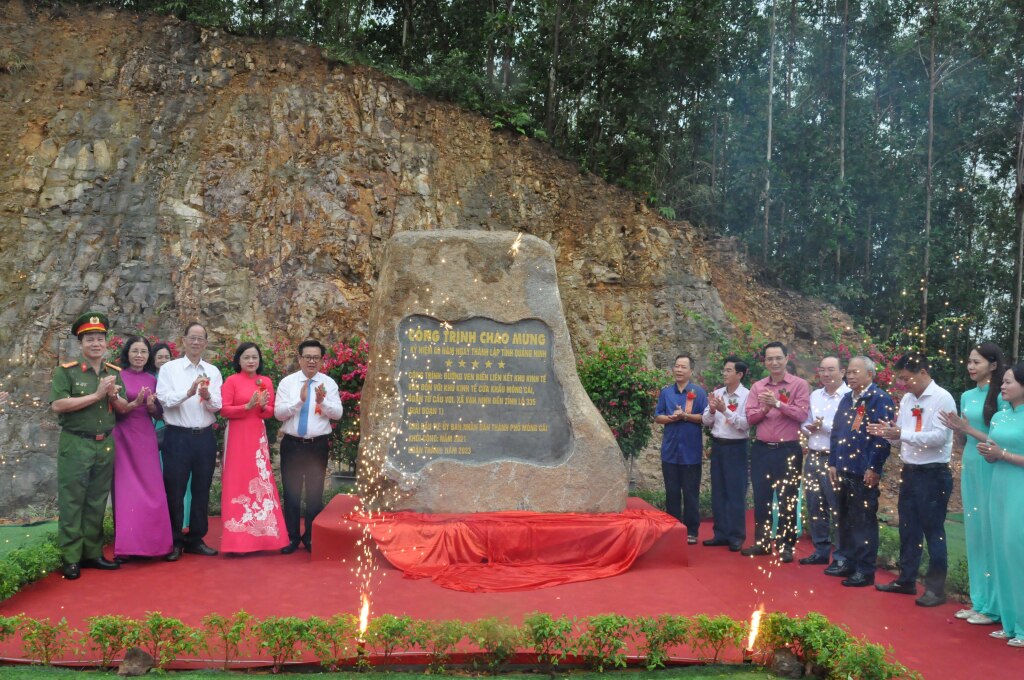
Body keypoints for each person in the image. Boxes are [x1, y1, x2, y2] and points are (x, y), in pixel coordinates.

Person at [868, 352, 956, 606]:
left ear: (923, 373)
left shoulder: (943, 398)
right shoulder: (907, 398)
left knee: (934, 531)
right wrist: (887, 433)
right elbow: (901, 437)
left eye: (907, 378)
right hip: (911, 470)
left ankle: (936, 589)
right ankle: (906, 580)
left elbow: (940, 437)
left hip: (934, 472)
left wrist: (902, 433)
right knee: (908, 528)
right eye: (901, 380)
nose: (903, 384)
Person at [49, 312, 131, 579]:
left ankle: (92, 553)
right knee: (73, 500)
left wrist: (113, 396)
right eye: (90, 339)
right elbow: (58, 405)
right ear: (80, 344)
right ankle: (71, 557)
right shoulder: (67, 372)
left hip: (104, 444)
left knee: (97, 501)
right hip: (76, 443)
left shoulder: (113, 373)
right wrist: (96, 395)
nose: (96, 344)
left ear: (106, 343)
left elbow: (122, 409)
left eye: (100, 339)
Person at [939, 343, 1007, 625]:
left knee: (992, 535)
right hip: (970, 465)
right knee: (976, 534)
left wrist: (967, 429)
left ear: (993, 365)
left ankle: (995, 606)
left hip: (993, 468)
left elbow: (1001, 438)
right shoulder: (966, 396)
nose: (970, 366)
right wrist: (958, 431)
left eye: (976, 362)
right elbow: (965, 437)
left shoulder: (1002, 396)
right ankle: (979, 601)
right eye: (968, 361)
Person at [156, 322, 223, 560]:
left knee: (201, 489)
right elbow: (164, 400)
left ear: (206, 343)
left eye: (200, 339)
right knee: (174, 489)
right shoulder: (169, 369)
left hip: (204, 436)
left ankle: (196, 538)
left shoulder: (213, 371)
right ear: (183, 340)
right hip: (177, 436)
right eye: (191, 338)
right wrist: (189, 392)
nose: (196, 342)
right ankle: (174, 540)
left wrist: (207, 396)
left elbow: (218, 406)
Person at [826, 356, 895, 587]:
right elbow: (836, 432)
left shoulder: (879, 399)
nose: (851, 376)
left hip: (863, 471)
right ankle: (847, 561)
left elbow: (882, 438)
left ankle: (865, 569)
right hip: (843, 468)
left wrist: (874, 467)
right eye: (850, 373)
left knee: (863, 520)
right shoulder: (847, 399)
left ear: (870, 374)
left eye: (856, 372)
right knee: (844, 517)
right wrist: (833, 462)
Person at [743, 341, 810, 562]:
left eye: (778, 358)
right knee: (761, 498)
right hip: (762, 449)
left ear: (786, 358)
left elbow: (801, 415)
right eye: (769, 358)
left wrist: (779, 404)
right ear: (765, 361)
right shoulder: (758, 387)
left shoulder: (798, 385)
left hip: (788, 450)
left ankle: (785, 545)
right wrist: (764, 408)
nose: (774, 362)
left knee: (787, 499)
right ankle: (761, 543)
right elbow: (750, 418)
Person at [275, 339, 343, 553]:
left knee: (315, 493)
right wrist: (300, 401)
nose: (311, 361)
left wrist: (322, 401)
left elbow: (338, 414)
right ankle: (292, 537)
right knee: (292, 492)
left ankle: (311, 537)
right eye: (307, 357)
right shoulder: (288, 383)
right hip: (292, 444)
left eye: (316, 357)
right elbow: (278, 413)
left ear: (321, 360)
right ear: (299, 359)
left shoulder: (329, 384)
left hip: (317, 446)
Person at [219, 342, 287, 553]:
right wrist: (246, 407)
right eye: (246, 357)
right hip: (237, 435)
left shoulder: (264, 381)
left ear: (259, 360)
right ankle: (236, 541)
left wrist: (263, 406)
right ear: (238, 360)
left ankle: (265, 537)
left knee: (260, 480)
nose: (251, 361)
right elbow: (224, 410)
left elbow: (270, 412)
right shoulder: (231, 381)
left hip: (257, 436)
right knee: (237, 480)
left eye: (254, 357)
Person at [111, 336, 173, 562]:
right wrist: (133, 405)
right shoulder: (117, 376)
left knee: (153, 489)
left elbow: (159, 413)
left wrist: (150, 406)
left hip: (145, 437)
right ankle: (126, 547)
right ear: (127, 353)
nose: (139, 355)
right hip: (122, 436)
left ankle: (157, 545)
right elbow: (112, 409)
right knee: (125, 491)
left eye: (144, 352)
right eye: (135, 351)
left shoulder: (153, 379)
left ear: (149, 356)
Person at [977, 365, 1024, 648]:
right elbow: (993, 450)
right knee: (1000, 551)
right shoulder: (997, 416)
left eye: (1008, 382)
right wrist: (991, 455)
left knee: (1016, 549)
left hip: (1020, 489)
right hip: (998, 487)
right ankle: (1009, 624)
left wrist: (1002, 454)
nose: (1002, 386)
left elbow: (1005, 452)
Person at [798, 356, 850, 566]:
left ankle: (841, 556)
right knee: (814, 505)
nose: (826, 374)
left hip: (835, 459)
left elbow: (848, 428)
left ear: (842, 371)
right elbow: (805, 422)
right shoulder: (815, 395)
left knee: (837, 508)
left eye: (831, 370)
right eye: (822, 370)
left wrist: (823, 427)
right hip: (813, 455)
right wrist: (808, 428)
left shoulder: (849, 396)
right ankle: (820, 550)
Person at [654, 354, 708, 543]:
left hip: (691, 452)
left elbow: (705, 418)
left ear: (690, 371)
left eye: (683, 367)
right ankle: (674, 528)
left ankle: (692, 531)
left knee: (691, 493)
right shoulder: (666, 392)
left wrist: (685, 416)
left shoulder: (699, 392)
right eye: (676, 366)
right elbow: (657, 416)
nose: (679, 370)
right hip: (670, 451)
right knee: (672, 492)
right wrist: (670, 418)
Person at [701, 355, 750, 552]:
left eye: (729, 370)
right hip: (718, 446)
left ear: (740, 374)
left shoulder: (747, 395)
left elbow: (745, 424)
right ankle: (720, 533)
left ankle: (736, 535)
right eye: (724, 370)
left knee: (735, 492)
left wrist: (725, 410)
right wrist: (713, 411)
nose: (725, 374)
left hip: (736, 447)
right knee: (718, 491)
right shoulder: (718, 392)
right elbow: (706, 421)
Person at [152, 342, 191, 531]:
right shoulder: (151, 378)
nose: (163, 360)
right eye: (159, 357)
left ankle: (183, 521)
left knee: (183, 480)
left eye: (166, 357)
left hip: (173, 429)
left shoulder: (175, 378)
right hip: (155, 430)